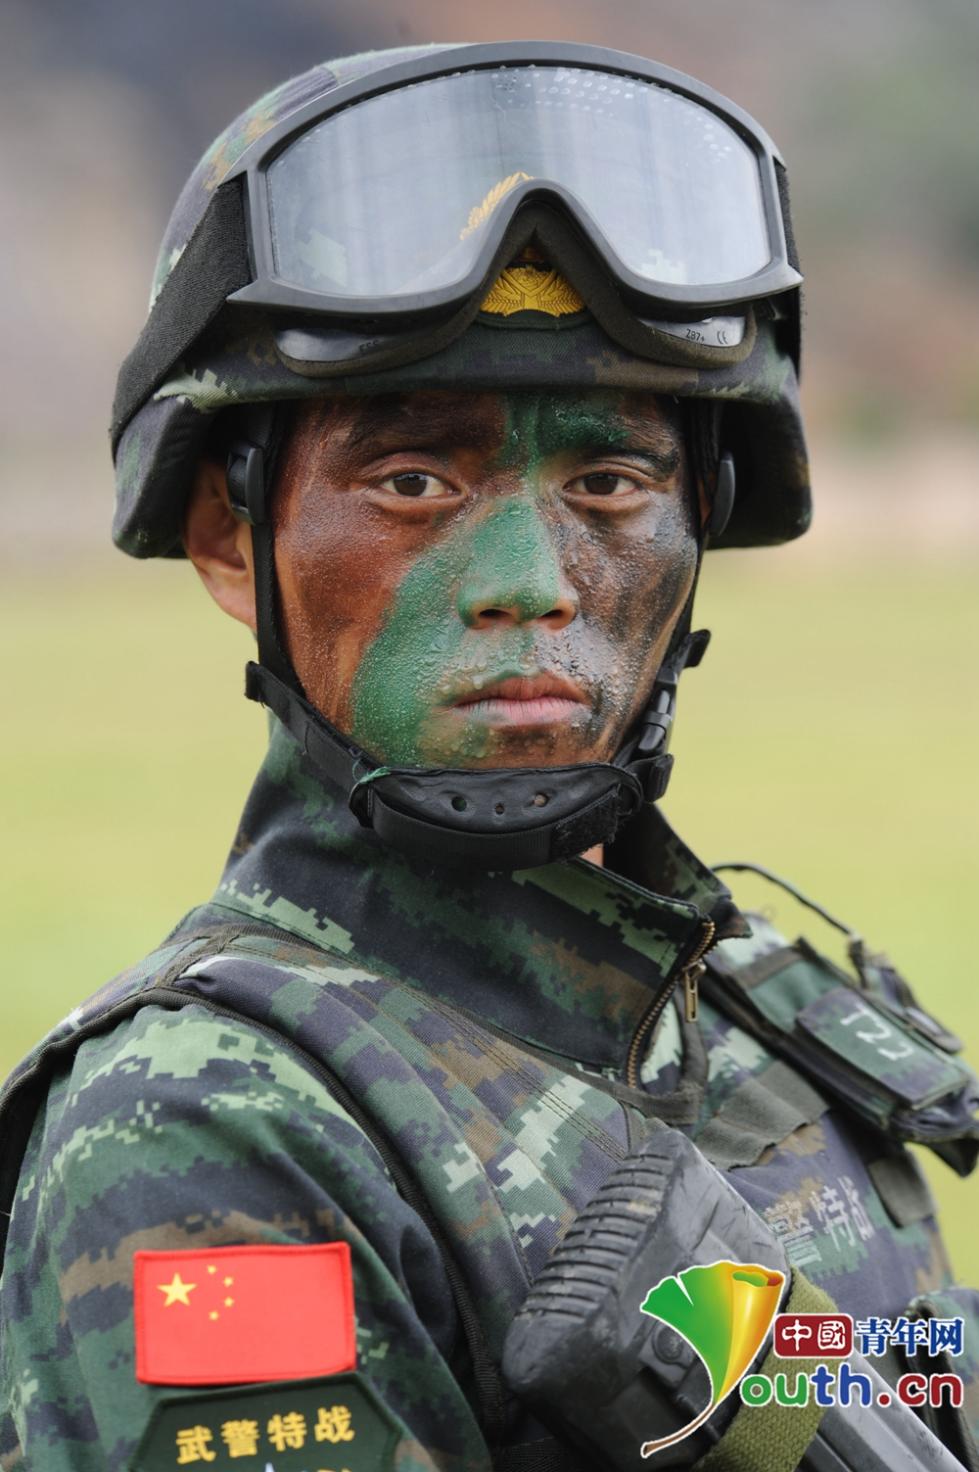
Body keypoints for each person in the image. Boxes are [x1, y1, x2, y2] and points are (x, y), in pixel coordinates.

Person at [1, 41, 977, 1472]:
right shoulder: (207, 1126)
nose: (531, 581)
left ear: (699, 526)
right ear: (229, 538)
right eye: (414, 482)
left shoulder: (766, 1016)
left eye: (609, 481)